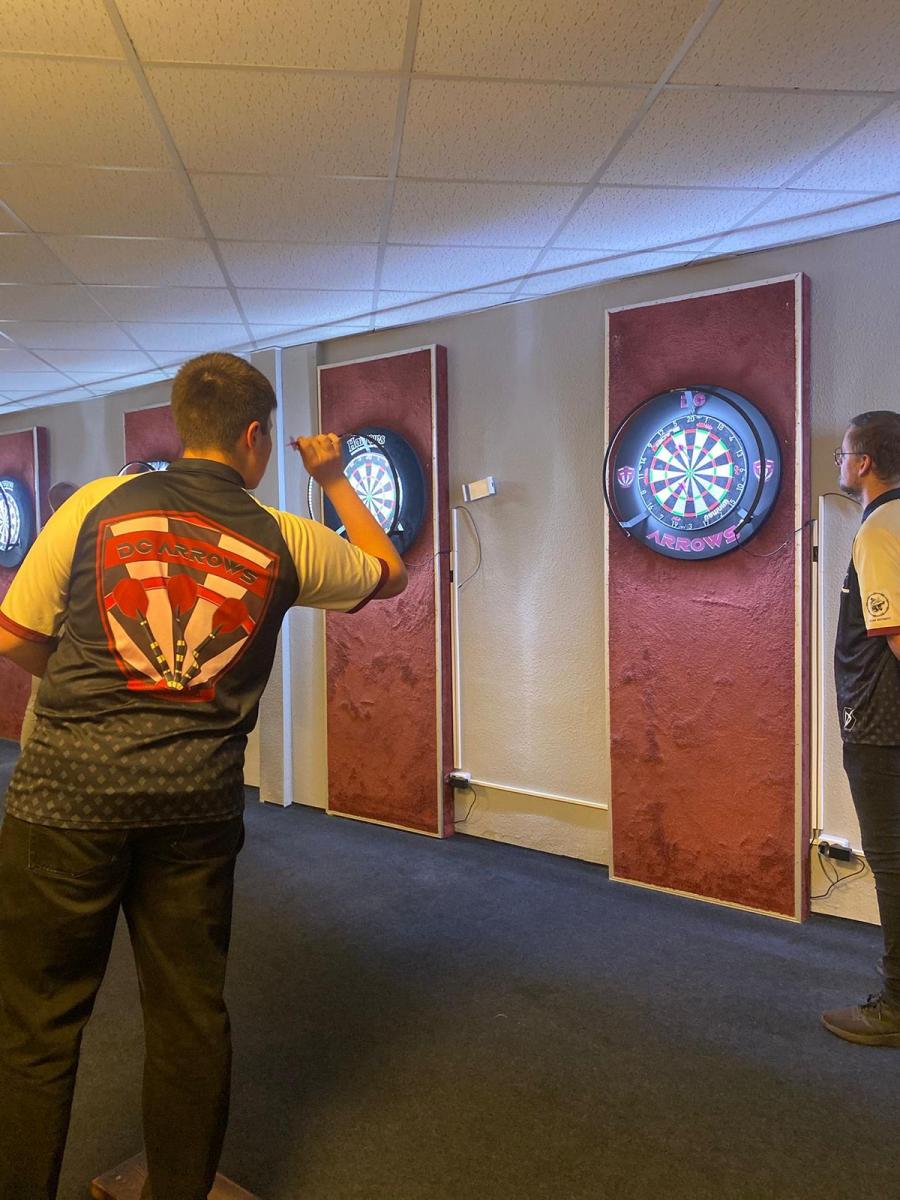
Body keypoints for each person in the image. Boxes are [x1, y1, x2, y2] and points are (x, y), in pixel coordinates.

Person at [0, 352, 407, 1199]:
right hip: (193, 806)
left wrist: (90, 688)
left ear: (182, 426)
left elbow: (14, 636)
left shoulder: (92, 505)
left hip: (65, 800)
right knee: (189, 1018)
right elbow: (388, 571)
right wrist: (332, 478)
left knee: (37, 1026)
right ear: (256, 438)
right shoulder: (288, 536)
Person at [823, 409, 900, 1046]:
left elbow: (894, 635)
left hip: (881, 725)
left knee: (893, 862)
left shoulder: (880, 529)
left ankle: (897, 1006)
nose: (841, 464)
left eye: (844, 454)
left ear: (865, 462)